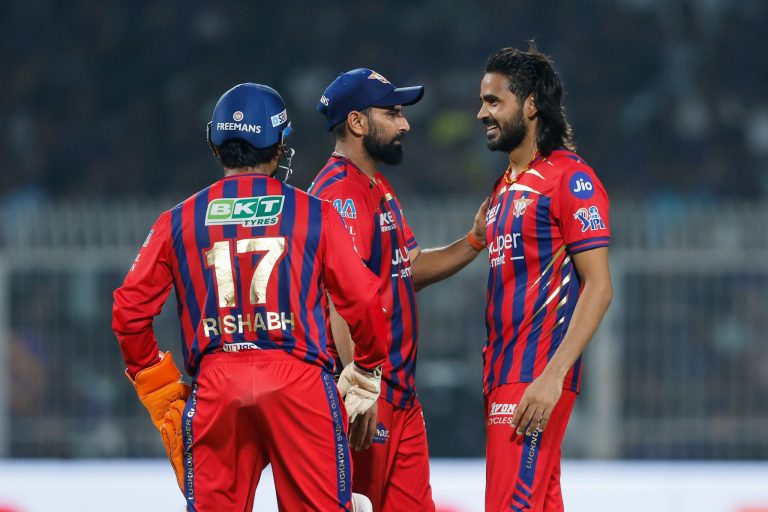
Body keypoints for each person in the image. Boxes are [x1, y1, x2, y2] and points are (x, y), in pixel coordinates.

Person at [112, 83, 386, 512]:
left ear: (215, 144)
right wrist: (367, 369)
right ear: (278, 145)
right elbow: (366, 302)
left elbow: (128, 311)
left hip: (217, 386)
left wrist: (158, 384)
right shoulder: (315, 213)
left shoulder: (177, 220)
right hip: (300, 384)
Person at [309, 68, 489, 512]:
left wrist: (474, 241)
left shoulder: (374, 185)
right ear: (357, 122)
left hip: (398, 394)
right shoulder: (340, 195)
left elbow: (408, 269)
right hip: (366, 393)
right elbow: (339, 302)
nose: (404, 124)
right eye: (391, 113)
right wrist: (361, 388)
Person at [476, 44, 614, 511]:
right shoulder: (503, 187)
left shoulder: (570, 179)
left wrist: (552, 376)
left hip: (533, 377)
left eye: (494, 101)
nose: (482, 113)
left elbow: (599, 287)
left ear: (531, 104)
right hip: (504, 376)